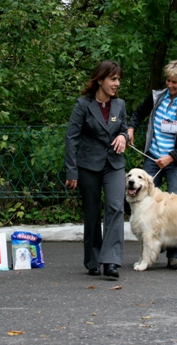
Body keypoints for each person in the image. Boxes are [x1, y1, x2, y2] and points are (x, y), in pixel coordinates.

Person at [127, 59, 177, 270]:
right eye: (168, 80)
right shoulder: (155, 97)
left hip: (176, 162)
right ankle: (149, 250)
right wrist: (131, 128)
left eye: (175, 82)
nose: (170, 85)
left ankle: (174, 256)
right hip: (152, 158)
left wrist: (172, 156)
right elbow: (138, 113)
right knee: (142, 202)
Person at [65, 60, 128, 279]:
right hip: (88, 165)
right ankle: (93, 260)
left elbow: (124, 130)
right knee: (91, 212)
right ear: (100, 80)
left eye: (118, 79)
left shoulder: (120, 105)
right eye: (113, 79)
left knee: (115, 207)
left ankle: (111, 261)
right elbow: (71, 138)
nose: (116, 83)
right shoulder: (83, 105)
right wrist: (71, 171)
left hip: (114, 164)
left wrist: (123, 136)